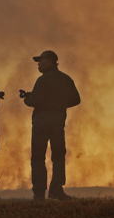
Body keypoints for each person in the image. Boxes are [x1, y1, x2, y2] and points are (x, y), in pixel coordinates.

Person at [22, 50, 81, 201]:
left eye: (41, 61)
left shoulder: (42, 80)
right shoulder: (66, 79)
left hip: (42, 120)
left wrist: (27, 99)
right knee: (58, 156)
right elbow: (76, 99)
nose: (39, 64)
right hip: (58, 119)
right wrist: (60, 104)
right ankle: (56, 190)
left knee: (38, 157)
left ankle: (39, 193)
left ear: (50, 61)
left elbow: (35, 101)